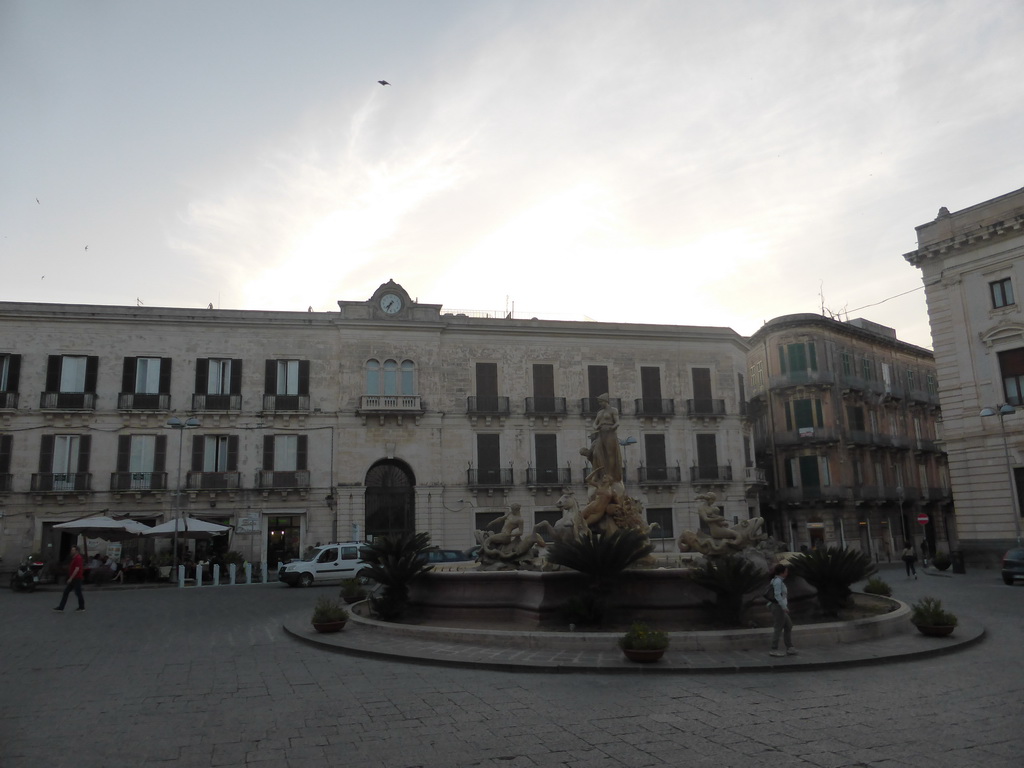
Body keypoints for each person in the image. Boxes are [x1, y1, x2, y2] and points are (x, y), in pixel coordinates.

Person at [768, 564, 796, 657]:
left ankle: (790, 647)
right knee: (778, 628)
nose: (787, 573)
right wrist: (784, 607)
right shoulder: (778, 581)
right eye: (786, 571)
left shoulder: (778, 581)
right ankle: (773, 648)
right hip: (778, 607)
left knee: (788, 625)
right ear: (782, 572)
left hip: (780, 606)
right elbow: (777, 595)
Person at [54, 545, 85, 612]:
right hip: (74, 579)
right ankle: (61, 607)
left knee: (78, 593)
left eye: (73, 550)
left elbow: (77, 569)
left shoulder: (78, 558)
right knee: (66, 592)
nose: (71, 551)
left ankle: (81, 607)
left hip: (76, 578)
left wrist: (71, 578)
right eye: (72, 550)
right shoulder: (74, 558)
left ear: (76, 551)